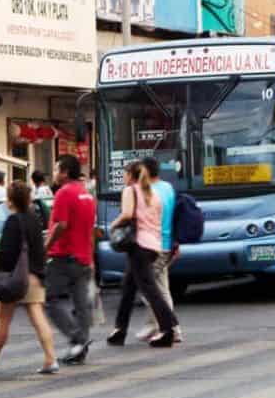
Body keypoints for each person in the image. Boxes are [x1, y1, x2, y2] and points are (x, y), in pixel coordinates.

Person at [0, 182, 58, 375]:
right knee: (38, 318)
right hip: (34, 275)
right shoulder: (34, 219)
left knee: (2, 320)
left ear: (10, 201)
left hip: (15, 278)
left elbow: (6, 254)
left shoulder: (13, 221)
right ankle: (51, 358)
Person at [107, 162, 179, 348]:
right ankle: (119, 330)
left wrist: (113, 225)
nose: (123, 177)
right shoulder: (153, 194)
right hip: (153, 245)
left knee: (149, 289)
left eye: (125, 174)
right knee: (129, 287)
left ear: (131, 175)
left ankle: (168, 329)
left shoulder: (130, 191)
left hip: (138, 245)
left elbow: (127, 214)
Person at [44, 154, 96, 364]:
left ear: (65, 172)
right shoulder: (86, 194)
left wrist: (45, 247)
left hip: (64, 256)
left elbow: (61, 225)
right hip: (83, 256)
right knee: (81, 304)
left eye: (57, 169)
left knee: (51, 299)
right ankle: (79, 350)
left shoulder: (64, 193)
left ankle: (77, 338)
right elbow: (90, 229)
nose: (54, 173)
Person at [134, 157, 182, 343]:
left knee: (149, 288)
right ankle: (157, 326)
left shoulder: (148, 191)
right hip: (168, 243)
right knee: (162, 288)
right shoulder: (168, 188)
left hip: (153, 244)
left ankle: (171, 327)